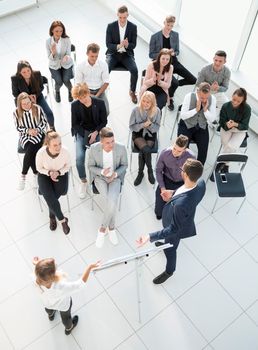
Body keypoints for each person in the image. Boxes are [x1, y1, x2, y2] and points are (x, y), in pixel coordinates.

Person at [136, 158, 205, 284]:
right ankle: (164, 245)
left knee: (171, 249)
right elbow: (190, 196)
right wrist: (173, 194)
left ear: (185, 174)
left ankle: (169, 271)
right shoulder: (201, 183)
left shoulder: (181, 205)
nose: (181, 170)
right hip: (181, 216)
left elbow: (173, 229)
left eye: (182, 169)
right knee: (168, 244)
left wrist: (149, 236)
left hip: (176, 229)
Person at [33, 256, 100, 335]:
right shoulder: (61, 286)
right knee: (66, 318)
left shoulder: (35, 279)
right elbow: (79, 285)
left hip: (48, 303)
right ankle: (69, 328)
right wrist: (89, 267)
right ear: (53, 276)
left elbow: (41, 274)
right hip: (62, 305)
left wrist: (38, 265)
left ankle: (51, 315)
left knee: (48, 309)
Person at [88, 127, 128, 248]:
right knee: (111, 201)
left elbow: (124, 165)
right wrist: (102, 172)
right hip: (100, 177)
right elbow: (90, 166)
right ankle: (111, 227)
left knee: (110, 201)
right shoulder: (94, 149)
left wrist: (115, 174)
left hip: (115, 178)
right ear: (101, 142)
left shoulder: (121, 148)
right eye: (107, 142)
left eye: (112, 141)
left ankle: (102, 229)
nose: (111, 145)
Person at [149, 15, 196, 111]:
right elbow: (151, 54)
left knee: (193, 80)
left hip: (173, 61)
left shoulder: (175, 35)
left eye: (171, 26)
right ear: (164, 22)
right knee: (174, 83)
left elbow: (177, 51)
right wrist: (163, 54)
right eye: (168, 25)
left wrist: (174, 53)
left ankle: (170, 84)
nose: (169, 28)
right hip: (162, 64)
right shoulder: (155, 36)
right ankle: (170, 97)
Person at [71, 83, 107, 199]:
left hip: (96, 131)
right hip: (82, 132)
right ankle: (83, 181)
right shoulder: (75, 105)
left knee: (97, 157)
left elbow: (103, 121)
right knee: (79, 158)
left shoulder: (99, 103)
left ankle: (97, 180)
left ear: (88, 93)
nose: (83, 100)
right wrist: (86, 136)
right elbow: (75, 124)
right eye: (79, 98)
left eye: (84, 96)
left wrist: (96, 132)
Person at [36, 131, 71, 235]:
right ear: (48, 144)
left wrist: (58, 172)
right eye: (55, 145)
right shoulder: (41, 153)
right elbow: (39, 168)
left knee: (50, 196)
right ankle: (62, 220)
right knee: (50, 196)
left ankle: (52, 215)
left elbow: (68, 166)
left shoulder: (65, 152)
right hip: (44, 174)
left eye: (60, 143)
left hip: (60, 173)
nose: (58, 147)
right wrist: (49, 172)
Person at [155, 135, 195, 220]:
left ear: (184, 150)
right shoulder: (164, 153)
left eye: (179, 151)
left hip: (182, 182)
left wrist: (186, 188)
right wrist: (162, 187)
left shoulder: (191, 157)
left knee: (181, 203)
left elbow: (192, 175)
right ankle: (159, 213)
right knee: (159, 197)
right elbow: (158, 171)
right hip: (167, 179)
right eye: (174, 148)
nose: (175, 152)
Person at [213, 88, 251, 176]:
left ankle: (221, 163)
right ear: (232, 96)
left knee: (230, 146)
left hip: (240, 130)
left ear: (243, 101)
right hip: (227, 128)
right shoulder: (226, 106)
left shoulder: (247, 109)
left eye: (238, 101)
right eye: (234, 99)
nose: (235, 102)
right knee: (226, 144)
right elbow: (221, 121)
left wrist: (236, 124)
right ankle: (226, 165)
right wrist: (226, 124)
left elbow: (245, 126)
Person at [14, 92, 48, 190]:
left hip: (38, 134)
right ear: (20, 104)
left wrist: (37, 130)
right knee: (31, 152)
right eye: (23, 104)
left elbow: (44, 122)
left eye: (28, 103)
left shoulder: (37, 108)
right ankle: (35, 174)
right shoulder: (16, 112)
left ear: (30, 101)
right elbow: (18, 127)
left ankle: (24, 175)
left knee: (30, 152)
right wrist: (28, 131)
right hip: (25, 136)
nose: (26, 105)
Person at [106, 5, 138, 104]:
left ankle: (132, 91)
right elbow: (108, 44)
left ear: (127, 15)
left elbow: (134, 45)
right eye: (120, 17)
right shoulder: (111, 26)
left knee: (134, 70)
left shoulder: (133, 27)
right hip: (113, 54)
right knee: (105, 69)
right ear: (117, 15)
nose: (122, 19)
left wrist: (128, 45)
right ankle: (103, 89)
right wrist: (119, 46)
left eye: (124, 17)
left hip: (126, 54)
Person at [178, 82, 216, 165]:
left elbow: (212, 119)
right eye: (202, 97)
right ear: (198, 91)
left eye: (206, 97)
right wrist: (196, 109)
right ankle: (183, 169)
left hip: (201, 126)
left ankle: (196, 170)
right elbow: (183, 116)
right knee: (183, 149)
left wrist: (205, 110)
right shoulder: (189, 96)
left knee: (203, 151)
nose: (204, 100)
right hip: (186, 124)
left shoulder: (212, 99)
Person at [129, 91, 161, 186]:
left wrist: (150, 125)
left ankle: (140, 173)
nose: (145, 104)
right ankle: (150, 171)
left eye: (148, 102)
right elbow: (131, 126)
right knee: (146, 150)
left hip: (150, 134)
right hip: (138, 133)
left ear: (152, 103)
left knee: (143, 152)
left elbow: (157, 127)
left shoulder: (157, 111)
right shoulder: (135, 110)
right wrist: (143, 125)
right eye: (144, 101)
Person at [11, 60, 55, 129]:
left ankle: (52, 127)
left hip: (37, 96)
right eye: (24, 72)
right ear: (20, 72)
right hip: (23, 100)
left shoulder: (37, 74)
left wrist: (34, 96)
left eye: (28, 70)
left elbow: (41, 87)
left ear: (31, 69)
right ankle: (28, 131)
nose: (27, 73)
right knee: (26, 117)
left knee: (49, 113)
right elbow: (15, 94)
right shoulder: (14, 78)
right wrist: (27, 97)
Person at [75, 43, 110, 115]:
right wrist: (88, 94)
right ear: (87, 54)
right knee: (83, 111)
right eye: (92, 56)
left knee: (106, 112)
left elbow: (106, 82)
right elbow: (78, 83)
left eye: (96, 56)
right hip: (85, 91)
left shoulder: (103, 65)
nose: (94, 59)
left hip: (100, 91)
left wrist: (96, 96)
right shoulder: (80, 66)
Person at [196, 50, 231, 118]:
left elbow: (225, 88)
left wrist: (218, 88)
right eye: (216, 60)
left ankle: (214, 120)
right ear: (213, 59)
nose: (217, 63)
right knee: (200, 107)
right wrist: (209, 87)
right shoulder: (205, 68)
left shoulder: (227, 71)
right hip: (203, 91)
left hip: (217, 92)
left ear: (225, 62)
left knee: (228, 106)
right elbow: (198, 84)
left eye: (220, 61)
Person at [46, 20, 74, 103]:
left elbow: (69, 54)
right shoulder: (48, 42)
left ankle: (71, 91)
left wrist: (66, 57)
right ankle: (57, 91)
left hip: (66, 64)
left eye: (61, 31)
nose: (59, 33)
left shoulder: (66, 39)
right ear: (52, 31)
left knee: (66, 80)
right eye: (56, 31)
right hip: (54, 65)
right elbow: (49, 58)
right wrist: (53, 53)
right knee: (59, 82)